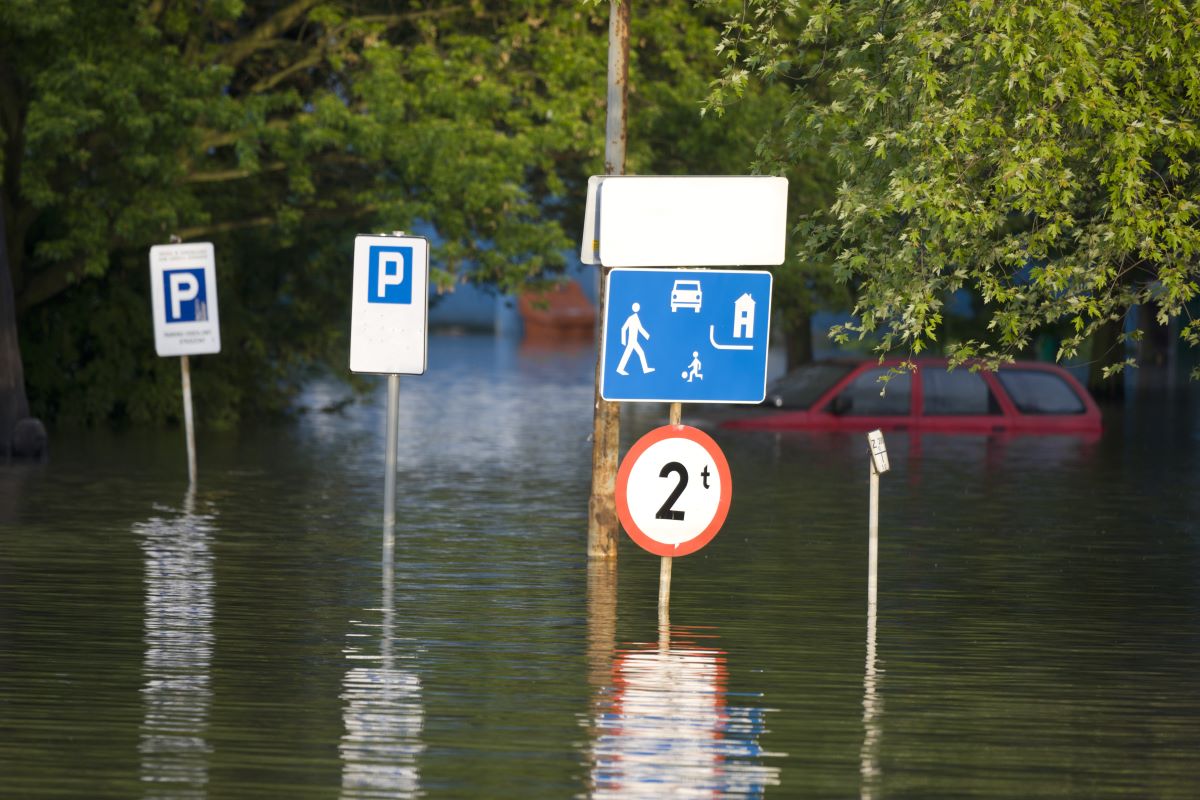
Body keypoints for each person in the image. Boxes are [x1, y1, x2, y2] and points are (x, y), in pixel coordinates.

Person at [616, 303, 654, 376]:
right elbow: (623, 328)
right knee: (630, 354)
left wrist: (647, 336)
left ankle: (645, 369)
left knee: (640, 353)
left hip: (634, 341)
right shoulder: (631, 318)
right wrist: (623, 341)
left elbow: (640, 328)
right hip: (631, 341)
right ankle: (620, 369)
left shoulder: (636, 318)